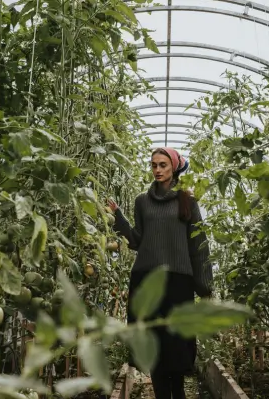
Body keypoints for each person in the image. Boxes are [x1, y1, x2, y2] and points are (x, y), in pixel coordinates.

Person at [107, 147, 213, 399]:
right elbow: (137, 240)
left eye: (163, 165)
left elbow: (199, 244)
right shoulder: (141, 202)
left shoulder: (188, 200)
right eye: (154, 165)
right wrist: (118, 217)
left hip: (178, 283)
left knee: (175, 348)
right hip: (146, 281)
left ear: (174, 168)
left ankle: (177, 394)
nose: (157, 170)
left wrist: (205, 285)